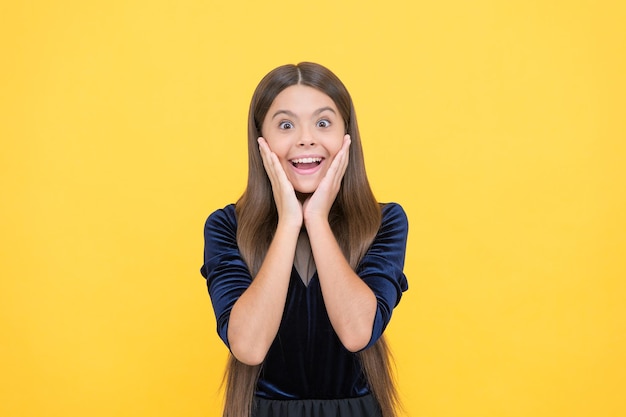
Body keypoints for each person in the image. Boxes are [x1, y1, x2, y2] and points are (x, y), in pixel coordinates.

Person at [200, 62, 409, 417]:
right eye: (285, 125)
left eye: (323, 123)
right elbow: (248, 347)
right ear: (260, 141)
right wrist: (288, 223)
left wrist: (316, 219)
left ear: (347, 137)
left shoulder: (384, 221)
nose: (306, 139)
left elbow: (358, 332)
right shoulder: (225, 227)